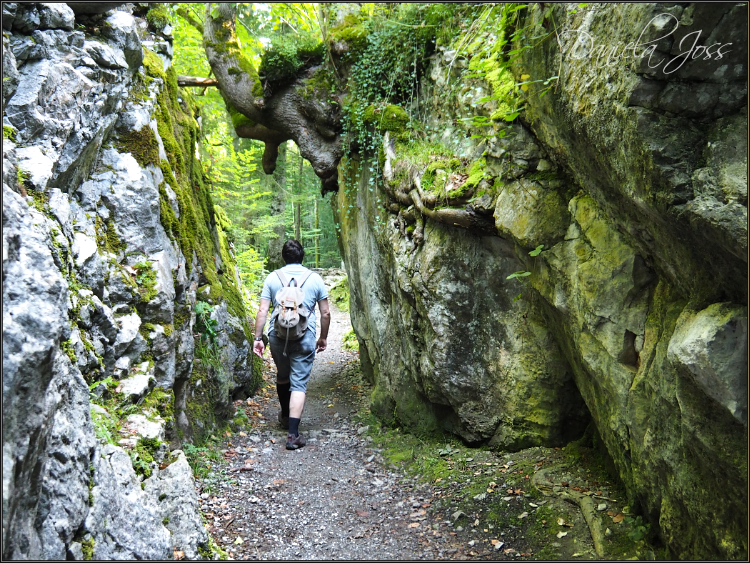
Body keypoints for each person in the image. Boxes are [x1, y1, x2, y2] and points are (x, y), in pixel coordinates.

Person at [252, 239, 330, 450]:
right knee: (299, 384)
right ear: (302, 256)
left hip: (277, 336)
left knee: (283, 375)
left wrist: (258, 339)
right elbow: (325, 312)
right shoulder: (314, 279)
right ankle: (293, 435)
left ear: (284, 257)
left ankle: (286, 416)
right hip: (305, 337)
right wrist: (323, 337)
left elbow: (262, 311)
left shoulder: (272, 278)